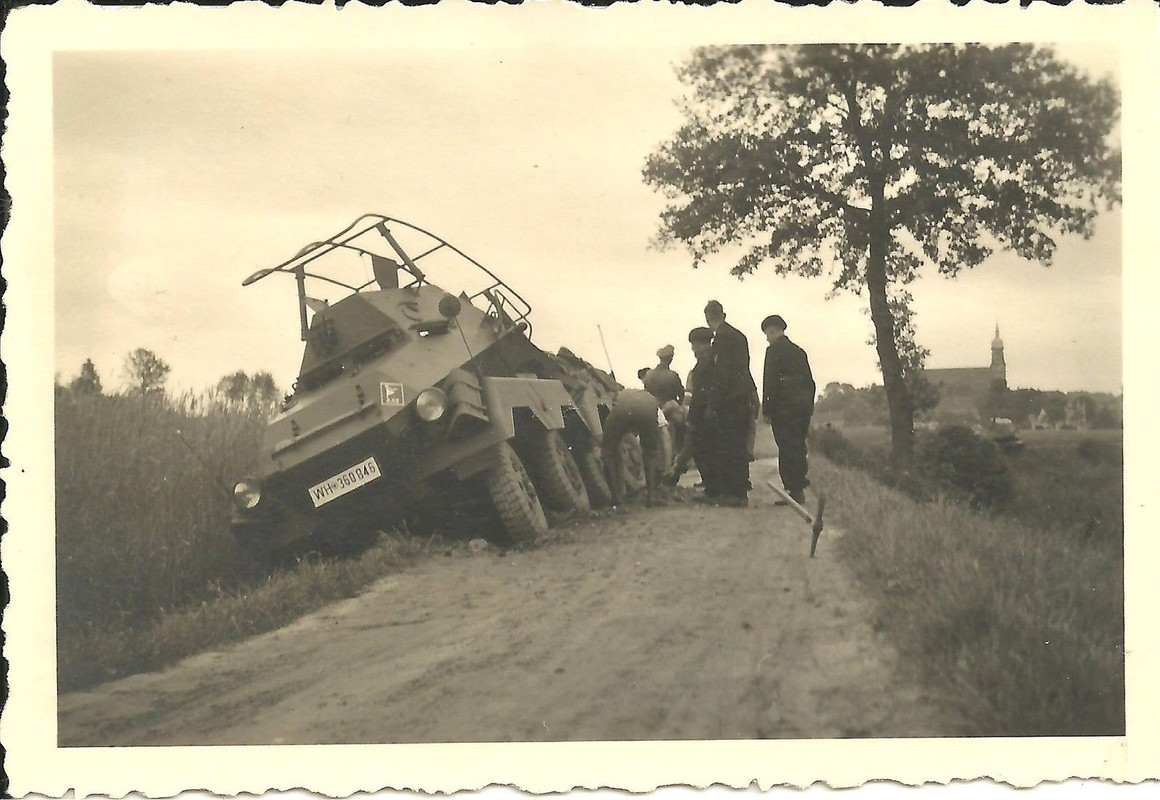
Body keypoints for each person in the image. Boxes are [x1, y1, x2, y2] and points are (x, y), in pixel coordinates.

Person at [700, 300, 753, 507]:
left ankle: (736, 494)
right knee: (737, 444)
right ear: (723, 313)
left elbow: (722, 374)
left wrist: (714, 403)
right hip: (741, 397)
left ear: (707, 318)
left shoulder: (721, 338)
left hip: (729, 400)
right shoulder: (739, 336)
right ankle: (738, 491)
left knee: (729, 446)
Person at [761, 314, 816, 505]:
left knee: (786, 445)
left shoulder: (773, 351)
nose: (767, 338)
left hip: (783, 406)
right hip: (801, 406)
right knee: (798, 444)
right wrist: (809, 405)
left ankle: (794, 489)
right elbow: (811, 382)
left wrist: (767, 408)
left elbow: (769, 381)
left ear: (772, 330)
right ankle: (799, 485)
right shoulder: (799, 351)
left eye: (767, 333)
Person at [601, 387, 665, 507]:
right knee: (650, 455)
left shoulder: (620, 394)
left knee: (607, 453)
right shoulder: (651, 400)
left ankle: (616, 499)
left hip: (622, 410)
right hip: (647, 410)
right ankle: (650, 498)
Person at [668, 326, 715, 486]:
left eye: (694, 345)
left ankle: (708, 482)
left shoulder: (701, 366)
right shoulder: (714, 360)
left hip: (702, 413)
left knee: (696, 446)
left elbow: (692, 395)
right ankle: (707, 481)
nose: (693, 349)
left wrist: (688, 413)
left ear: (700, 344)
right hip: (707, 413)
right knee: (699, 447)